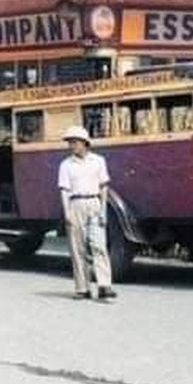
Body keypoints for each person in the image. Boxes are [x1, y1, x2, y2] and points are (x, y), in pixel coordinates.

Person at [58, 125, 116, 301]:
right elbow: (64, 190)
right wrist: (66, 211)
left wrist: (103, 210)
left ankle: (104, 285)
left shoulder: (98, 161)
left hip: (94, 202)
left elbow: (103, 186)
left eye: (74, 142)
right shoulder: (66, 165)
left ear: (84, 143)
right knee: (78, 248)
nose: (71, 146)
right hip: (76, 203)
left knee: (99, 245)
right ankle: (82, 288)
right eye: (70, 142)